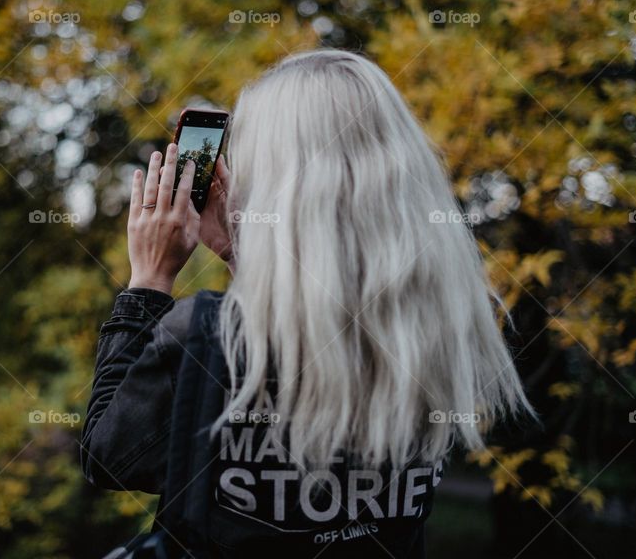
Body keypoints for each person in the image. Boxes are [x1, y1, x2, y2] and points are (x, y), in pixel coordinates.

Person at [81, 49, 534, 558]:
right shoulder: (439, 329)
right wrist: (239, 252)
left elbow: (108, 457)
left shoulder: (206, 335)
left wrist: (149, 279)